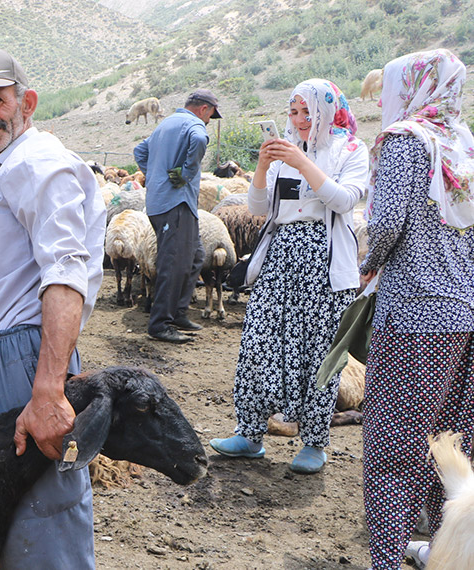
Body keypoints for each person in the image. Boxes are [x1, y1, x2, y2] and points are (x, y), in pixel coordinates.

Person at [0, 48, 106, 568]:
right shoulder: (10, 167)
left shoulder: (38, 164)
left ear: (26, 102)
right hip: (0, 353)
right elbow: (10, 286)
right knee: (5, 500)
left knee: (45, 508)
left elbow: (65, 278)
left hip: (29, 360)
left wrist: (49, 389)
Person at [208, 79, 368, 474]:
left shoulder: (350, 149)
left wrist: (302, 163)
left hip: (324, 263)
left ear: (327, 111)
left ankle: (315, 443)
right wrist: (263, 167)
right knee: (259, 342)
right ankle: (249, 433)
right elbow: (259, 208)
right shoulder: (282, 155)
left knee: (320, 353)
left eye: (306, 112)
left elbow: (346, 199)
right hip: (280, 257)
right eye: (293, 112)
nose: (298, 120)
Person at [357, 49, 474, 570]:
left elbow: (385, 223)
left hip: (413, 315)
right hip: (461, 315)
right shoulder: (463, 144)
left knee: (393, 447)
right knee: (450, 443)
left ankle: (386, 559)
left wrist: (368, 263)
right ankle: (445, 552)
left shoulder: (408, 140)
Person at [133, 89, 219, 343]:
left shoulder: (166, 123)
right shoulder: (193, 124)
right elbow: (200, 140)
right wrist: (186, 173)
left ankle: (179, 312)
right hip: (175, 204)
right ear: (204, 109)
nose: (208, 122)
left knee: (195, 256)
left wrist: (155, 174)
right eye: (211, 116)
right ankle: (160, 323)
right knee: (173, 263)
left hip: (172, 204)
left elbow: (140, 151)